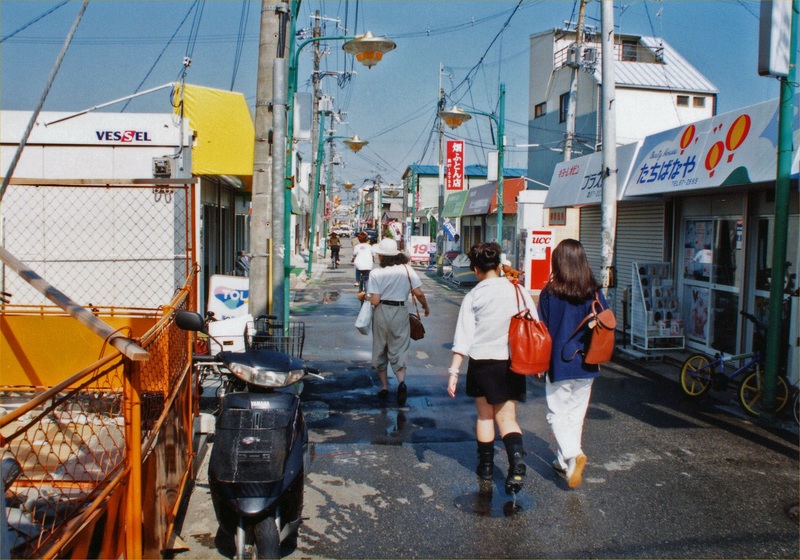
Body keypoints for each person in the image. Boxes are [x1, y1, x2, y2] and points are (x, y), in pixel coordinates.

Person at [446, 242, 537, 494]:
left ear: (475, 269)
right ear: (499, 265)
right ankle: (516, 462)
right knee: (507, 419)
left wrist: (454, 371)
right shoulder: (518, 291)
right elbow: (534, 323)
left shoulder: (474, 296)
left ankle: (486, 467)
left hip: (482, 362)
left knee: (485, 416)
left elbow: (462, 338)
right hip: (511, 362)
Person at [537, 238, 609, 489]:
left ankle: (572, 454)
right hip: (587, 361)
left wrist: (538, 364)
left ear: (558, 262)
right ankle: (567, 466)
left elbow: (542, 330)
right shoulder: (594, 291)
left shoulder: (550, 292)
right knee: (576, 415)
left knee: (556, 412)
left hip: (558, 362)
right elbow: (606, 320)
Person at [359, 238, 430, 406]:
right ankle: (401, 383)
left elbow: (375, 300)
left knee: (381, 347)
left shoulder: (376, 273)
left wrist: (364, 296)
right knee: (398, 348)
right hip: (400, 311)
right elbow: (418, 293)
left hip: (382, 311)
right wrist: (425, 307)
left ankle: (384, 388)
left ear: (382, 256)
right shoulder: (407, 269)